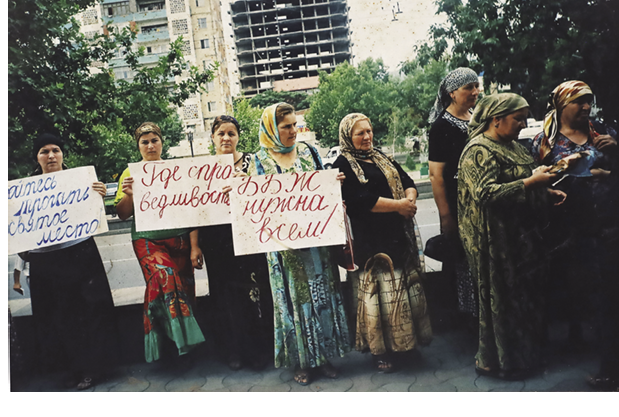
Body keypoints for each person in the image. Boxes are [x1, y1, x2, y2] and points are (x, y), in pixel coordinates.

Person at [458, 93, 567, 380]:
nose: (523, 124)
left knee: (524, 297)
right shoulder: (478, 150)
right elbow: (485, 193)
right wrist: (531, 182)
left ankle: (526, 356)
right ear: (496, 120)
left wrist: (545, 191)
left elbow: (524, 180)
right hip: (496, 239)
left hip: (522, 236)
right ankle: (500, 362)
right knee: (502, 299)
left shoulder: (514, 147)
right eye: (518, 119)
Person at [247, 103, 351, 385]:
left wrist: (334, 182)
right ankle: (302, 361)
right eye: (286, 126)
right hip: (284, 249)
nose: (293, 131)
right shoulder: (258, 161)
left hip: (317, 242)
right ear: (271, 129)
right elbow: (254, 206)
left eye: (295, 125)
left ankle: (325, 356)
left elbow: (324, 191)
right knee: (295, 302)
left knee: (321, 296)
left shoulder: (310, 152)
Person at [530, 80, 619, 390]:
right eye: (578, 101)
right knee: (579, 289)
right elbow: (538, 181)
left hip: (608, 222)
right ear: (561, 105)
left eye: (589, 101)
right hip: (569, 228)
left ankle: (608, 364)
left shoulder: (602, 132)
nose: (585, 107)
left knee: (607, 294)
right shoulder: (546, 140)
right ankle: (579, 342)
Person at [333, 113, 432, 373]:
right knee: (380, 297)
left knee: (401, 292)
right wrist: (399, 206)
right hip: (371, 242)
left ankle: (405, 345)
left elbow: (408, 181)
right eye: (359, 133)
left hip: (397, 236)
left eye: (369, 130)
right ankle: (381, 352)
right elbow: (360, 201)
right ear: (347, 137)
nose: (367, 137)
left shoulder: (379, 156)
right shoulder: (343, 163)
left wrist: (408, 201)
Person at [23, 133, 118, 390]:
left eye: (56, 150)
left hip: (79, 253)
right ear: (37, 157)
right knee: (58, 316)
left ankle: (94, 368)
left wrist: (98, 193)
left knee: (88, 311)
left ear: (63, 154)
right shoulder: (23, 192)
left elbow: (96, 214)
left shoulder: (81, 182)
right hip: (47, 261)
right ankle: (70, 370)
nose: (51, 155)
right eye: (44, 151)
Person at [115, 122, 205, 363]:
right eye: (144, 142)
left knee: (184, 290)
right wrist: (129, 195)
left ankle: (184, 349)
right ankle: (163, 347)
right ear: (138, 146)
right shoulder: (130, 173)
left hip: (180, 240)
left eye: (154, 140)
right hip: (147, 241)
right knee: (164, 279)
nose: (150, 145)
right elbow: (122, 214)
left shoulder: (177, 170)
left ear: (162, 142)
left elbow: (191, 208)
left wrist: (195, 245)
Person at [198, 115, 273, 370]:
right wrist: (195, 245)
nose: (226, 138)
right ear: (213, 138)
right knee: (223, 296)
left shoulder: (253, 162)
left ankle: (259, 350)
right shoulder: (203, 168)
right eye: (221, 134)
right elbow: (196, 210)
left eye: (231, 133)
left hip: (248, 235)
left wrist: (248, 185)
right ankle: (233, 351)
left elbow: (269, 194)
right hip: (216, 240)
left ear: (238, 136)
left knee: (253, 292)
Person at [428, 67, 480, 320]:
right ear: (452, 93)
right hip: (458, 205)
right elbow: (436, 175)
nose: (475, 92)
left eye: (476, 86)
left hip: (481, 201)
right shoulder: (440, 127)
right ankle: (467, 315)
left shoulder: (477, 118)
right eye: (468, 87)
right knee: (461, 260)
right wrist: (446, 215)